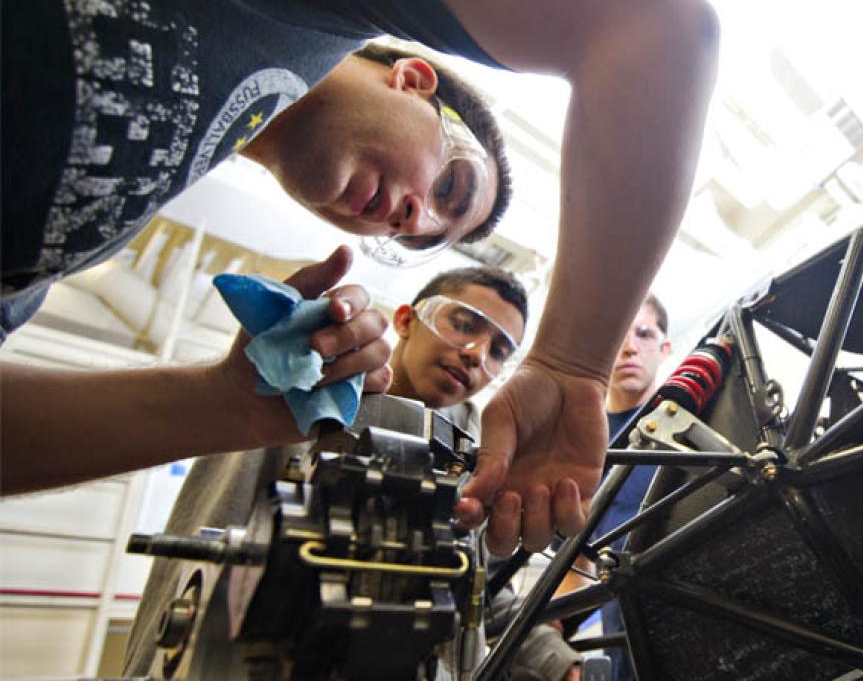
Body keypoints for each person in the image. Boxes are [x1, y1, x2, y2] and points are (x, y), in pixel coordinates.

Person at [1, 0, 721, 557]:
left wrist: (225, 407)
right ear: (412, 80)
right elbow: (656, 30)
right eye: (451, 185)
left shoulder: (123, 207)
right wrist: (572, 363)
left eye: (422, 236)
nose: (420, 217)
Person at [124, 266, 582, 681]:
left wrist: (558, 662)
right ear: (406, 321)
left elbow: (478, 585)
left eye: (499, 350)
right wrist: (152, 667)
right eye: (463, 325)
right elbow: (210, 534)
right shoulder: (313, 391)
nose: (475, 354)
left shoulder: (480, 450)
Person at [592, 294, 673, 681]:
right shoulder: (581, 442)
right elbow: (573, 561)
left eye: (643, 334)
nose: (628, 348)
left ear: (664, 347)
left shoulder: (701, 426)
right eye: (614, 337)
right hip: (627, 640)